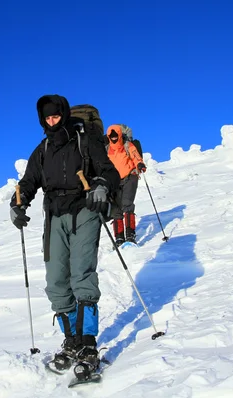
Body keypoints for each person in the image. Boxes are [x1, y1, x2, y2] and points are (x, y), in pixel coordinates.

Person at [10, 94, 120, 375]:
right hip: (54, 216)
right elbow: (29, 182)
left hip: (84, 209)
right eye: (46, 118)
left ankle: (88, 343)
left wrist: (100, 186)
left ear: (64, 114)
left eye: (55, 116)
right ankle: (71, 341)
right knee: (56, 281)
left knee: (81, 274)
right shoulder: (43, 149)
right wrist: (17, 204)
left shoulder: (85, 140)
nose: (51, 121)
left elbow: (109, 171)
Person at [105, 124, 146, 246]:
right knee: (116, 209)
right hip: (114, 181)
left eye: (115, 135)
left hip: (129, 177)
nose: (113, 138)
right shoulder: (107, 149)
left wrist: (140, 164)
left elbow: (135, 156)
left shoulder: (128, 145)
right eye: (110, 136)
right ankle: (119, 238)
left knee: (127, 204)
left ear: (119, 135)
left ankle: (130, 235)